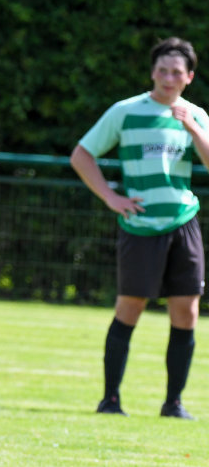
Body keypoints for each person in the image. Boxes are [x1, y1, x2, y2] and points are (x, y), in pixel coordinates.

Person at [70, 36, 209, 420]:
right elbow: (81, 155)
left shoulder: (196, 114)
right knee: (130, 307)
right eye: (162, 70)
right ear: (152, 72)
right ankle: (110, 400)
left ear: (189, 77)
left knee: (187, 312)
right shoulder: (125, 111)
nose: (168, 78)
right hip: (140, 226)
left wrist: (193, 127)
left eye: (176, 72)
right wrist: (111, 198)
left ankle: (174, 403)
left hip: (183, 223)